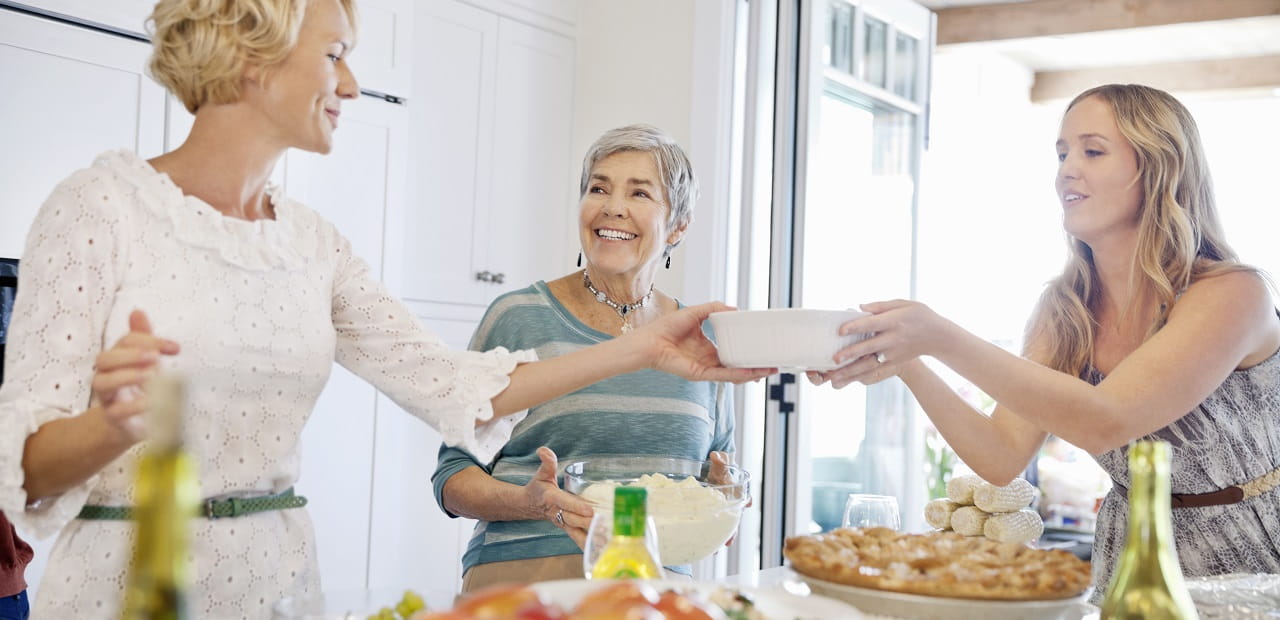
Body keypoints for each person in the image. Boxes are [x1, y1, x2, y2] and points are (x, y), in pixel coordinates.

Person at [0, 1, 773, 617]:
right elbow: (22, 470)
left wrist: (645, 347)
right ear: (252, 48)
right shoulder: (99, 207)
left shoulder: (313, 245)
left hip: (277, 585)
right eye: (335, 54)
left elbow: (454, 384)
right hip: (126, 589)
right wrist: (110, 426)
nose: (350, 86)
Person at [810, 84, 1280, 600]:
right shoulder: (1065, 311)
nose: (1065, 171)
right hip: (1125, 565)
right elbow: (1001, 455)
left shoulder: (1232, 294)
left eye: (1092, 151)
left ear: (1159, 165)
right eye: (1061, 154)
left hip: (1256, 563)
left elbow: (1106, 420)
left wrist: (939, 335)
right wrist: (907, 357)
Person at [432, 124, 738, 592]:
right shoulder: (519, 317)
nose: (613, 206)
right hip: (528, 579)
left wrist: (722, 495)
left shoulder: (702, 339)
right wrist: (535, 503)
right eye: (599, 188)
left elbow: (716, 485)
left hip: (659, 590)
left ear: (678, 224)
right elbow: (453, 477)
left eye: (639, 193)